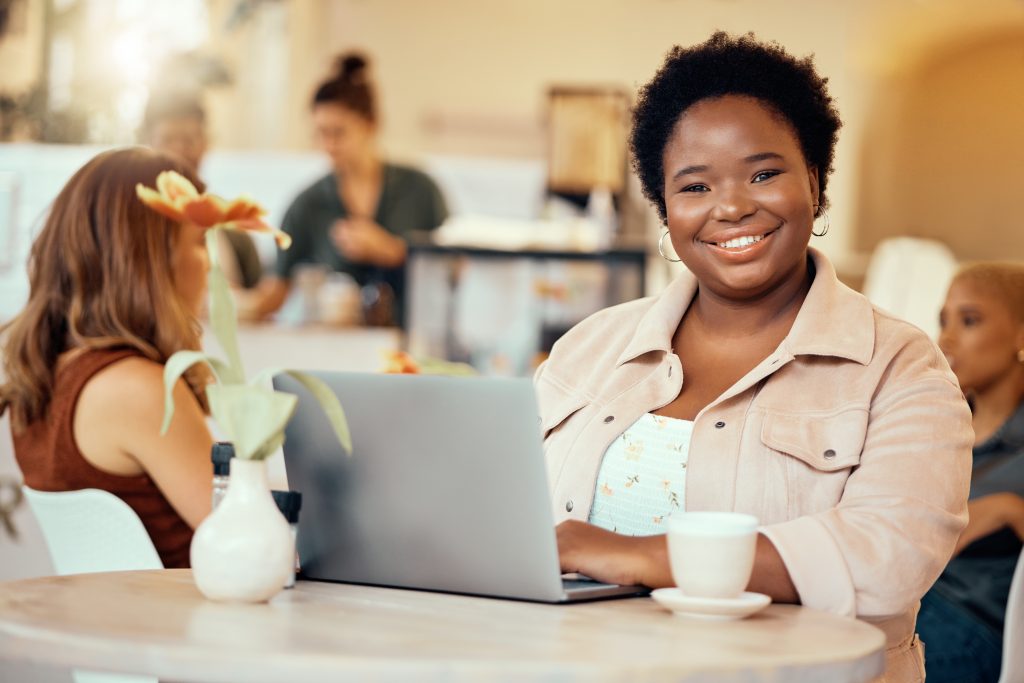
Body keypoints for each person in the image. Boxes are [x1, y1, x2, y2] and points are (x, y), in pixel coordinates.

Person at [536, 32, 972, 682]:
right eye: (694, 186)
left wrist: (644, 556)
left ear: (816, 184)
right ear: (665, 207)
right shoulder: (590, 348)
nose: (733, 206)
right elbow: (510, 519)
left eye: (764, 173)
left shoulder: (903, 368)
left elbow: (888, 556)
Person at [0, 148, 215, 568]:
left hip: (109, 626)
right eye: (201, 241)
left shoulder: (47, 376)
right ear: (155, 259)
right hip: (183, 627)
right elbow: (255, 548)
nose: (210, 264)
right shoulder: (141, 389)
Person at [248, 53, 448, 327]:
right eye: (320, 133)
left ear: (371, 125)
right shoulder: (308, 203)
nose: (328, 144)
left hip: (415, 342)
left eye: (338, 133)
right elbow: (277, 290)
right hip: (336, 347)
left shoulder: (420, 190)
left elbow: (455, 274)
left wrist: (393, 252)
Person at [915, 262, 1024, 683]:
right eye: (944, 321)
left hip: (977, 628)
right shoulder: (939, 425)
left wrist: (1008, 510)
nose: (947, 338)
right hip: (909, 602)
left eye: (970, 320)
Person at [140, 92, 263, 290]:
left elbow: (257, 302)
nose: (178, 151)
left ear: (206, 143)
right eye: (168, 140)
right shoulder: (127, 223)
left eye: (188, 140)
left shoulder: (233, 228)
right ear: (148, 144)